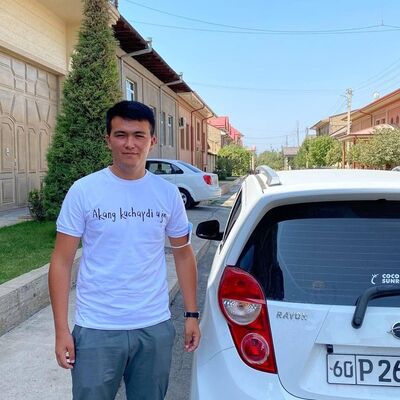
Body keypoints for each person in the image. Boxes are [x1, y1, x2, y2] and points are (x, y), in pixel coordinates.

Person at [48, 100, 200, 400]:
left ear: (152, 141)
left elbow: (183, 254)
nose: (130, 143)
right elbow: (61, 261)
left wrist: (192, 314)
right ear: (108, 139)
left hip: (153, 327)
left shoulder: (167, 194)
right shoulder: (84, 191)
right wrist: (61, 330)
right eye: (121, 135)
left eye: (138, 135)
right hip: (96, 328)